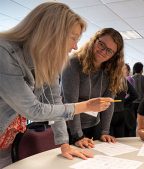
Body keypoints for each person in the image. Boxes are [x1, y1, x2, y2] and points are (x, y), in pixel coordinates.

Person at [0, 2, 114, 168]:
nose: (75, 46)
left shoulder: (47, 61)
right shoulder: (5, 52)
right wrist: (85, 106)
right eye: (73, 38)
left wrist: (64, 144)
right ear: (51, 33)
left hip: (6, 138)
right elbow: (34, 110)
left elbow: (55, 101)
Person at [61, 28, 124, 148]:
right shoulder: (73, 63)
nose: (103, 51)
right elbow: (71, 102)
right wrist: (78, 136)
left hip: (94, 125)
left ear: (114, 56)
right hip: (70, 128)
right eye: (101, 44)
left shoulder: (110, 70)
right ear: (94, 40)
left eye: (110, 51)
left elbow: (108, 103)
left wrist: (105, 131)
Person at [110, 64, 137, 137]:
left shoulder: (108, 79)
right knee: (120, 138)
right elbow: (134, 95)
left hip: (109, 113)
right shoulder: (123, 80)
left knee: (108, 138)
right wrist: (124, 102)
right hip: (121, 112)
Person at [132, 62, 144, 136]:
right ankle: (143, 135)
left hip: (132, 103)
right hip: (143, 103)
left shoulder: (130, 78)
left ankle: (133, 136)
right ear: (141, 69)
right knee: (143, 123)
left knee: (133, 122)